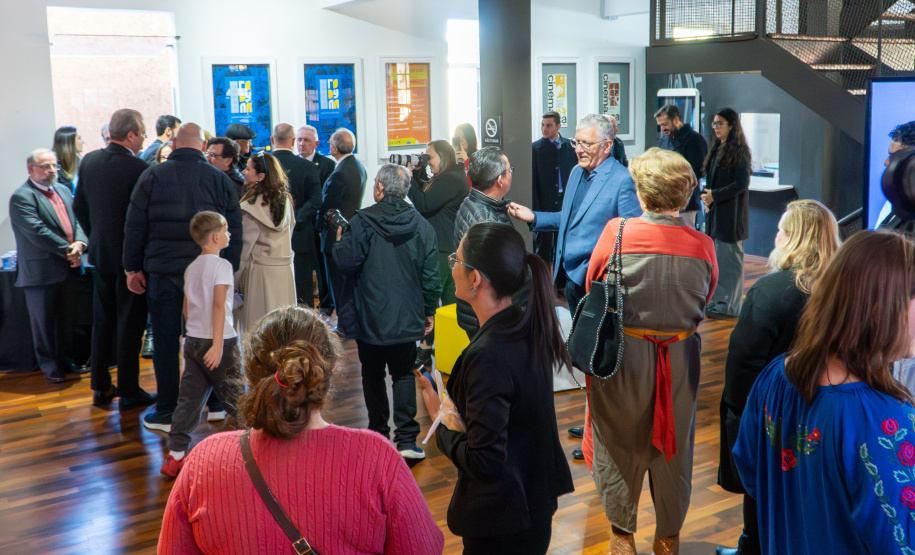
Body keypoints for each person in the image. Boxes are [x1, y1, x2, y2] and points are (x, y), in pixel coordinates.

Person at [158, 306, 444, 553]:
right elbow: (423, 547)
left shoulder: (203, 462)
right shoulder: (377, 456)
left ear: (250, 373)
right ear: (327, 371)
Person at [734, 231, 915, 555]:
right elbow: (900, 539)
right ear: (885, 310)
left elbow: (750, 470)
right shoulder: (885, 419)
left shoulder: (775, 377)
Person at [581, 148, 718, 555]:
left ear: (641, 191)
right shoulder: (703, 245)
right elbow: (705, 301)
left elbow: (594, 286)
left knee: (618, 446)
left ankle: (622, 537)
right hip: (679, 363)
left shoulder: (616, 233)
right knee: (674, 451)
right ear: (684, 194)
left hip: (623, 359)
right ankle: (666, 541)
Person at [420, 222, 574, 553]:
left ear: (475, 279)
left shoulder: (489, 354)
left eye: (456, 261)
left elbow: (484, 461)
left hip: (505, 522)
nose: (452, 267)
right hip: (533, 503)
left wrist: (442, 418)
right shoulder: (523, 322)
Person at [716, 199, 840, 555]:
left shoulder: (772, 291)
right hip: (825, 410)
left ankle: (751, 547)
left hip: (773, 413)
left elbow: (743, 364)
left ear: (796, 239)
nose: (775, 236)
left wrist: (739, 416)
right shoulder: (840, 291)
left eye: (782, 230)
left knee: (764, 485)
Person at [124, 123, 242, 432]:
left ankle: (166, 411)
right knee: (211, 333)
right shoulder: (219, 179)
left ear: (174, 143)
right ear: (204, 146)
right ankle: (217, 404)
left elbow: (135, 225)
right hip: (208, 270)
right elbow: (235, 229)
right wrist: (229, 267)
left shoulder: (152, 176)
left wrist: (132, 267)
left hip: (163, 271)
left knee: (164, 338)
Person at [333, 164, 440, 459]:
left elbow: (346, 263)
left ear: (379, 188)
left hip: (369, 314)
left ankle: (378, 435)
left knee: (372, 373)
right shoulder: (422, 225)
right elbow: (431, 277)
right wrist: (428, 310)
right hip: (407, 315)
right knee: (404, 374)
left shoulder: (362, 222)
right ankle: (407, 441)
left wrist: (340, 240)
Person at [509, 113, 642, 314]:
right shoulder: (576, 172)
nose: (579, 150)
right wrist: (535, 217)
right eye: (576, 142)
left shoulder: (622, 179)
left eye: (586, 144)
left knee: (597, 343)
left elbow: (630, 237)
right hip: (568, 279)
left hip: (597, 282)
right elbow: (571, 218)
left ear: (607, 146)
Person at [73, 108, 154, 409]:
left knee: (103, 319)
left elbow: (79, 206)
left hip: (100, 254)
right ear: (130, 135)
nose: (144, 139)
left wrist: (96, 236)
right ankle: (129, 390)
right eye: (142, 133)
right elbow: (142, 219)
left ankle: (99, 386)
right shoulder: (138, 169)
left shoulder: (90, 161)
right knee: (131, 323)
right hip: (130, 259)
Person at [160, 212, 241, 477]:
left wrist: (192, 336)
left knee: (188, 402)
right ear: (216, 237)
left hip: (193, 340)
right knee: (239, 399)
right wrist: (217, 345)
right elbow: (219, 305)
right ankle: (258, 449)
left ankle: (175, 456)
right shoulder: (223, 267)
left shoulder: (192, 267)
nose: (229, 234)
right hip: (221, 342)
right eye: (227, 230)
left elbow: (186, 307)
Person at [9, 149, 89, 383]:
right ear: (31, 168)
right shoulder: (22, 196)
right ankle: (50, 367)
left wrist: (81, 243)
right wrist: (69, 250)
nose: (52, 170)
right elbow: (37, 232)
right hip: (41, 271)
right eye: (46, 166)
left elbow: (78, 221)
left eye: (54, 166)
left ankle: (67, 361)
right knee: (43, 324)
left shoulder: (63, 189)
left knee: (67, 321)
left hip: (70, 267)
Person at [408, 139, 468, 366]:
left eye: (429, 157)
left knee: (434, 299)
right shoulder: (448, 176)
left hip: (443, 250)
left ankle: (426, 348)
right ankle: (444, 346)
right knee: (447, 300)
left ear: (443, 157)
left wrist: (411, 180)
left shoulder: (451, 179)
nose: (427, 162)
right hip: (444, 247)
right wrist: (418, 174)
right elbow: (429, 191)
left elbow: (424, 203)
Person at [452, 147, 514, 338]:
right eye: (510, 170)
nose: (512, 173)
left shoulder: (471, 201)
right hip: (485, 315)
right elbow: (498, 277)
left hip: (473, 311)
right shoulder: (487, 221)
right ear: (500, 180)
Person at [235, 152, 296, 334]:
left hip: (259, 276)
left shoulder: (250, 209)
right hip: (284, 272)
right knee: (283, 329)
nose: (243, 172)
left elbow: (244, 253)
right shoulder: (286, 202)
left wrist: (235, 282)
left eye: (248, 168)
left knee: (259, 331)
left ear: (261, 177)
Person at [701, 107, 751, 319]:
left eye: (720, 124)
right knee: (717, 262)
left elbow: (742, 183)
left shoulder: (740, 151)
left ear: (732, 126)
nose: (716, 128)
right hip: (716, 216)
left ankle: (728, 307)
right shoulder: (717, 149)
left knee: (729, 264)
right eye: (714, 124)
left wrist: (714, 196)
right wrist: (707, 198)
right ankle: (718, 303)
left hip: (730, 218)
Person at [317, 128, 366, 321]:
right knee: (345, 280)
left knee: (337, 281)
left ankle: (344, 323)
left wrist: (319, 229)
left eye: (330, 143)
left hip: (334, 234)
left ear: (335, 148)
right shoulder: (358, 166)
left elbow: (328, 207)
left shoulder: (339, 173)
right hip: (349, 229)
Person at [271, 123, 321, 308]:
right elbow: (316, 200)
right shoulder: (306, 166)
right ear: (293, 141)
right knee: (302, 285)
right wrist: (294, 219)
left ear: (271, 140)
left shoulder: (263, 163)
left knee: (274, 286)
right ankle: (306, 329)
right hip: (300, 233)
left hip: (269, 234)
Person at [531, 110, 577, 269]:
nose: (544, 129)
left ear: (558, 126)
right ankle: (543, 285)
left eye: (549, 125)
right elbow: (534, 182)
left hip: (564, 203)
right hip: (543, 205)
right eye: (542, 125)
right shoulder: (535, 148)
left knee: (562, 245)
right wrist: (535, 208)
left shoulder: (570, 147)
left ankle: (560, 285)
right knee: (543, 247)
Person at [655, 104, 708, 229]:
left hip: (685, 203)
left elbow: (699, 171)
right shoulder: (663, 141)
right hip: (665, 202)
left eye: (665, 124)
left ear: (675, 119)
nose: (662, 128)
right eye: (660, 125)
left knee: (686, 241)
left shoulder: (695, 140)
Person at [52, 126, 84, 193]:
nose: (83, 142)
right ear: (69, 142)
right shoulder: (54, 168)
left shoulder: (81, 163)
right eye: (79, 138)